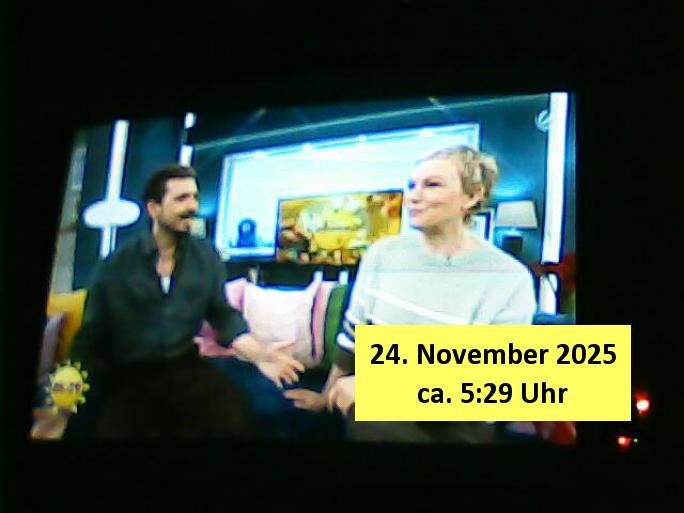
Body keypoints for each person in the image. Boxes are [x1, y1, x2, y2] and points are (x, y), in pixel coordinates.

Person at [284, 145, 537, 443]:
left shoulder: (509, 278)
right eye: (411, 185)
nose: (414, 196)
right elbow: (352, 342)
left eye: (432, 184)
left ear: (472, 196)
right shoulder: (381, 254)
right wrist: (325, 399)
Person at [65, 164, 304, 439]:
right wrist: (64, 400)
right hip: (130, 376)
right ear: (154, 208)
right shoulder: (115, 266)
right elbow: (89, 339)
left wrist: (260, 355)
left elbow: (223, 315)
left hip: (186, 369)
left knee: (235, 419)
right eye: (181, 198)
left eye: (194, 197)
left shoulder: (206, 256)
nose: (192, 206)